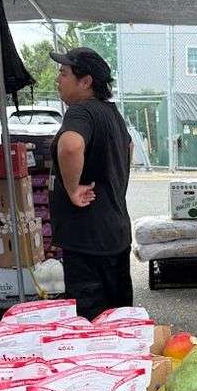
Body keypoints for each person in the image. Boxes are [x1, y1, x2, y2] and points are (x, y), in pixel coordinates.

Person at [49, 47, 133, 319]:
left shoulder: (80, 111)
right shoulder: (111, 113)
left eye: (63, 74)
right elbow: (128, 148)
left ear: (85, 82)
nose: (58, 80)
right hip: (113, 232)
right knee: (118, 318)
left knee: (92, 323)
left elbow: (70, 146)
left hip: (88, 239)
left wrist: (72, 189)